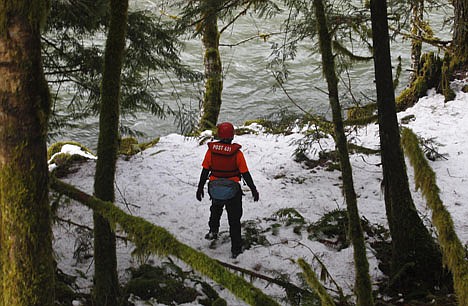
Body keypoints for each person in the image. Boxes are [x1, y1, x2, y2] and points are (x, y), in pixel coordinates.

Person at [196, 122, 259, 258]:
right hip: (233, 192)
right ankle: (236, 249)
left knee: (215, 209)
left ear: (219, 135)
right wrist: (253, 189)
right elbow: (245, 173)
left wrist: (200, 187)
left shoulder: (211, 151)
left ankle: (213, 231)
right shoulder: (237, 153)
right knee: (234, 219)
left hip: (215, 189)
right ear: (232, 136)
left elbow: (205, 170)